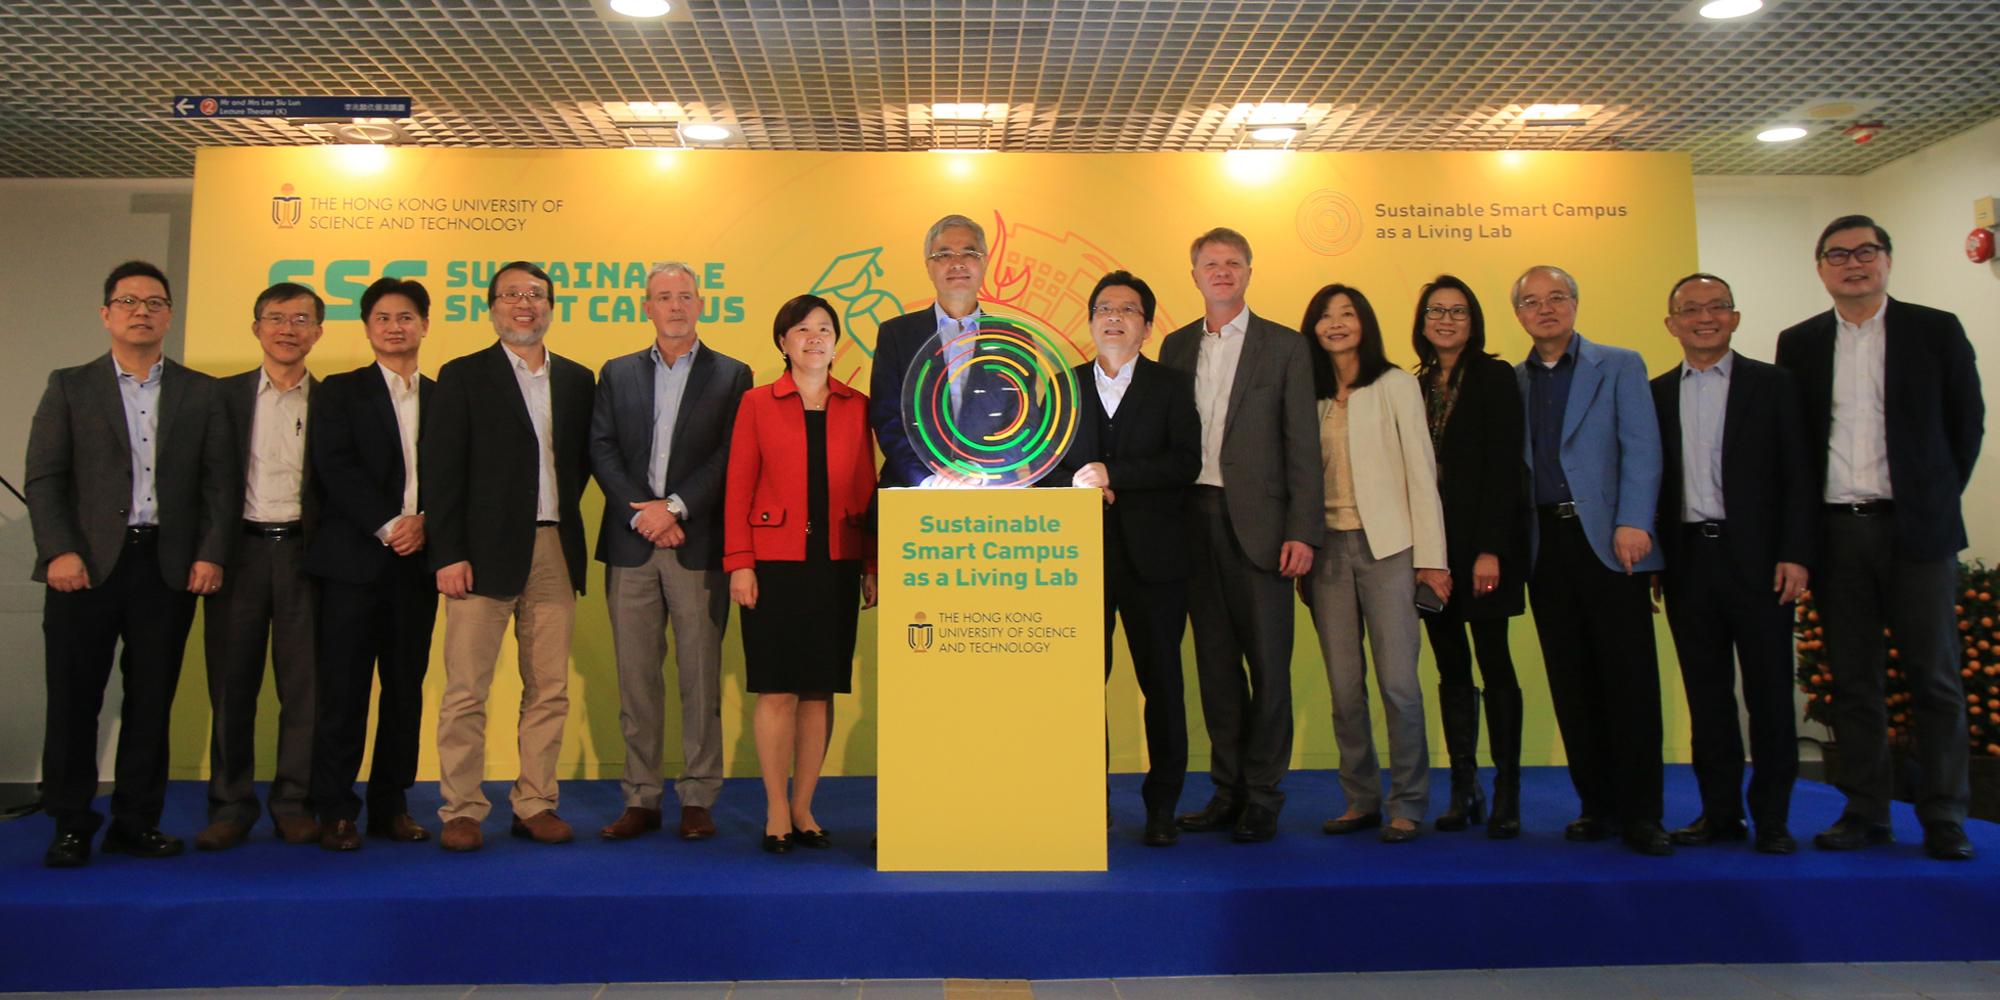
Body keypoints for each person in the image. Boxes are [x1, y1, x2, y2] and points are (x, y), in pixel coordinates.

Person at [1775, 215, 1984, 861]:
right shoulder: (1800, 343)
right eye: (1838, 255)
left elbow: (1966, 425)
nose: (1853, 264)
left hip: (1915, 532)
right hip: (1838, 534)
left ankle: (1945, 815)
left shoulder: (1934, 330)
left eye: (1866, 252)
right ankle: (1866, 810)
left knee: (1936, 679)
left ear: (1887, 260)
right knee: (1853, 680)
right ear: (1821, 269)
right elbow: (1797, 446)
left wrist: (1930, 497)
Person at [27, 260, 236, 868]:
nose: (141, 311)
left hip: (166, 569)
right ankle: (70, 822)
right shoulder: (69, 385)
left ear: (169, 315)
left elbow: (219, 484)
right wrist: (59, 549)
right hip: (83, 569)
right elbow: (45, 479)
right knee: (73, 700)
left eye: (154, 302)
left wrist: (209, 552)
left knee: (151, 703)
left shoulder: (202, 392)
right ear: (106, 314)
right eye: (128, 302)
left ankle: (135, 821)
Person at [424, 261, 595, 852]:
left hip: (553, 546)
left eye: (536, 295)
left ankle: (535, 802)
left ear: (551, 305)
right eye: (512, 295)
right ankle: (463, 808)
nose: (525, 304)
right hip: (478, 554)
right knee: (466, 690)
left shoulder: (577, 380)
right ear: (492, 307)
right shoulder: (463, 375)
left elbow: (579, 465)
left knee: (549, 688)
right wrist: (448, 553)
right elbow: (441, 475)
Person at [1159, 227, 1322, 843]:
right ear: (1194, 275)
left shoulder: (1285, 347)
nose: (1221, 272)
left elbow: (1303, 447)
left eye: (1232, 263)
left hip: (1264, 529)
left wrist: (1304, 529)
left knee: (1270, 670)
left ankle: (1263, 795)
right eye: (1209, 264)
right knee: (1215, 668)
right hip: (1191, 523)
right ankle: (1225, 791)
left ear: (1248, 272)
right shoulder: (1174, 347)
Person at [1651, 272, 1815, 855]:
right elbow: (1650, 484)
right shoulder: (1655, 394)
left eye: (1716, 307)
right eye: (1690, 310)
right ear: (1671, 324)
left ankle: (1772, 818)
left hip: (1763, 563)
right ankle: (1718, 813)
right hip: (1689, 561)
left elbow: (1800, 476)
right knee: (1707, 696)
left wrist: (1796, 554)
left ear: (1735, 318)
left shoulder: (1774, 386)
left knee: (1770, 696)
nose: (1704, 317)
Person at [590, 262, 753, 842]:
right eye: (664, 297)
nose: (675, 306)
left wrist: (676, 508)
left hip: (696, 542)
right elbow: (601, 450)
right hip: (633, 544)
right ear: (647, 306)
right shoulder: (616, 373)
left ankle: (698, 797)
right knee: (636, 679)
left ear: (700, 303)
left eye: (685, 296)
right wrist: (645, 513)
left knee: (699, 678)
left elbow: (732, 456)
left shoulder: (733, 375)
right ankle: (641, 797)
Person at [1512, 264, 1671, 856]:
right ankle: (1597, 806)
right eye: (1531, 301)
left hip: (1611, 542)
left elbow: (1644, 449)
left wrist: (1636, 522)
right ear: (1520, 315)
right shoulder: (1516, 382)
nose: (1545, 308)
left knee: (1629, 682)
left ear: (1575, 304)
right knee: (1571, 682)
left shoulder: (1620, 364)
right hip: (1545, 549)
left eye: (1556, 297)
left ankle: (1643, 815)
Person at [1047, 271, 1201, 847]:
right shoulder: (1061, 387)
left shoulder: (1172, 385)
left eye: (1128, 310)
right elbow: (1038, 468)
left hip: (1157, 563)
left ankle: (1162, 806)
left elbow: (1186, 461)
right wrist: (1075, 486)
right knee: (1082, 688)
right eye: (1105, 308)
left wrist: (1118, 476)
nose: (1115, 317)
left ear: (1147, 325)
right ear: (1089, 322)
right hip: (1077, 562)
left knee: (1161, 685)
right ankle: (1090, 799)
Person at [725, 294, 878, 854]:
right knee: (777, 690)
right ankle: (773, 812)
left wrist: (871, 563)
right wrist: (739, 563)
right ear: (782, 341)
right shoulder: (757, 403)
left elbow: (867, 488)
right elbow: (738, 487)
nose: (815, 338)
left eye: (825, 329)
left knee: (819, 689)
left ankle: (804, 807)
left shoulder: (858, 405)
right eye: (802, 329)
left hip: (836, 562)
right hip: (773, 564)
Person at [1298, 284, 1449, 844]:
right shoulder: (1305, 392)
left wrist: (1431, 560)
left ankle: (1407, 802)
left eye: (1347, 314)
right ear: (1312, 328)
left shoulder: (1394, 385)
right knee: (1343, 687)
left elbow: (1421, 474)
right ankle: (1359, 799)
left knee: (1399, 686)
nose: (1336, 324)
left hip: (1391, 550)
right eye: (1325, 317)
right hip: (1327, 553)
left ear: (1365, 322)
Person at [306, 276, 439, 850]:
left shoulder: (444, 395)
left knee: (405, 691)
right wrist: (391, 524)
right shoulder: (339, 391)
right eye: (382, 317)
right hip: (353, 565)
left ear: (425, 326)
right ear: (367, 328)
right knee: (343, 692)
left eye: (405, 316)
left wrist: (427, 521)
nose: (394, 326)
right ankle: (335, 808)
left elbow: (460, 473)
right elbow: (335, 469)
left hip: (419, 567)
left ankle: (391, 805)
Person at [197, 281, 324, 851]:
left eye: (301, 320)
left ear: (318, 332)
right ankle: (230, 803)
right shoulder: (217, 399)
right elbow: (197, 484)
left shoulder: (335, 402)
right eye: (276, 318)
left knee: (305, 688)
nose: (288, 329)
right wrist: (206, 551)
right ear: (256, 328)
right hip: (237, 556)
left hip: (307, 556)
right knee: (231, 684)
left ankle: (294, 801)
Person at [1408, 274, 1527, 838]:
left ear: (1474, 320)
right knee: (1451, 666)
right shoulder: (1414, 384)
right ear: (1422, 321)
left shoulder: (1496, 377)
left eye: (1458, 310)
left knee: (1496, 664)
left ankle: (1507, 791)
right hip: (1431, 554)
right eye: (1436, 311)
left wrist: (1490, 550)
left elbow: (1506, 468)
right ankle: (1464, 787)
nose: (1447, 320)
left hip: (1484, 550)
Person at [870, 214, 990, 488]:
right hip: (914, 492)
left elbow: (1021, 421)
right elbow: (887, 418)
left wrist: (984, 477)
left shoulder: (1012, 339)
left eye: (969, 252)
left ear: (985, 261)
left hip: (989, 497)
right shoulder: (897, 335)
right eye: (943, 254)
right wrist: (928, 480)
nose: (957, 263)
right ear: (928, 267)